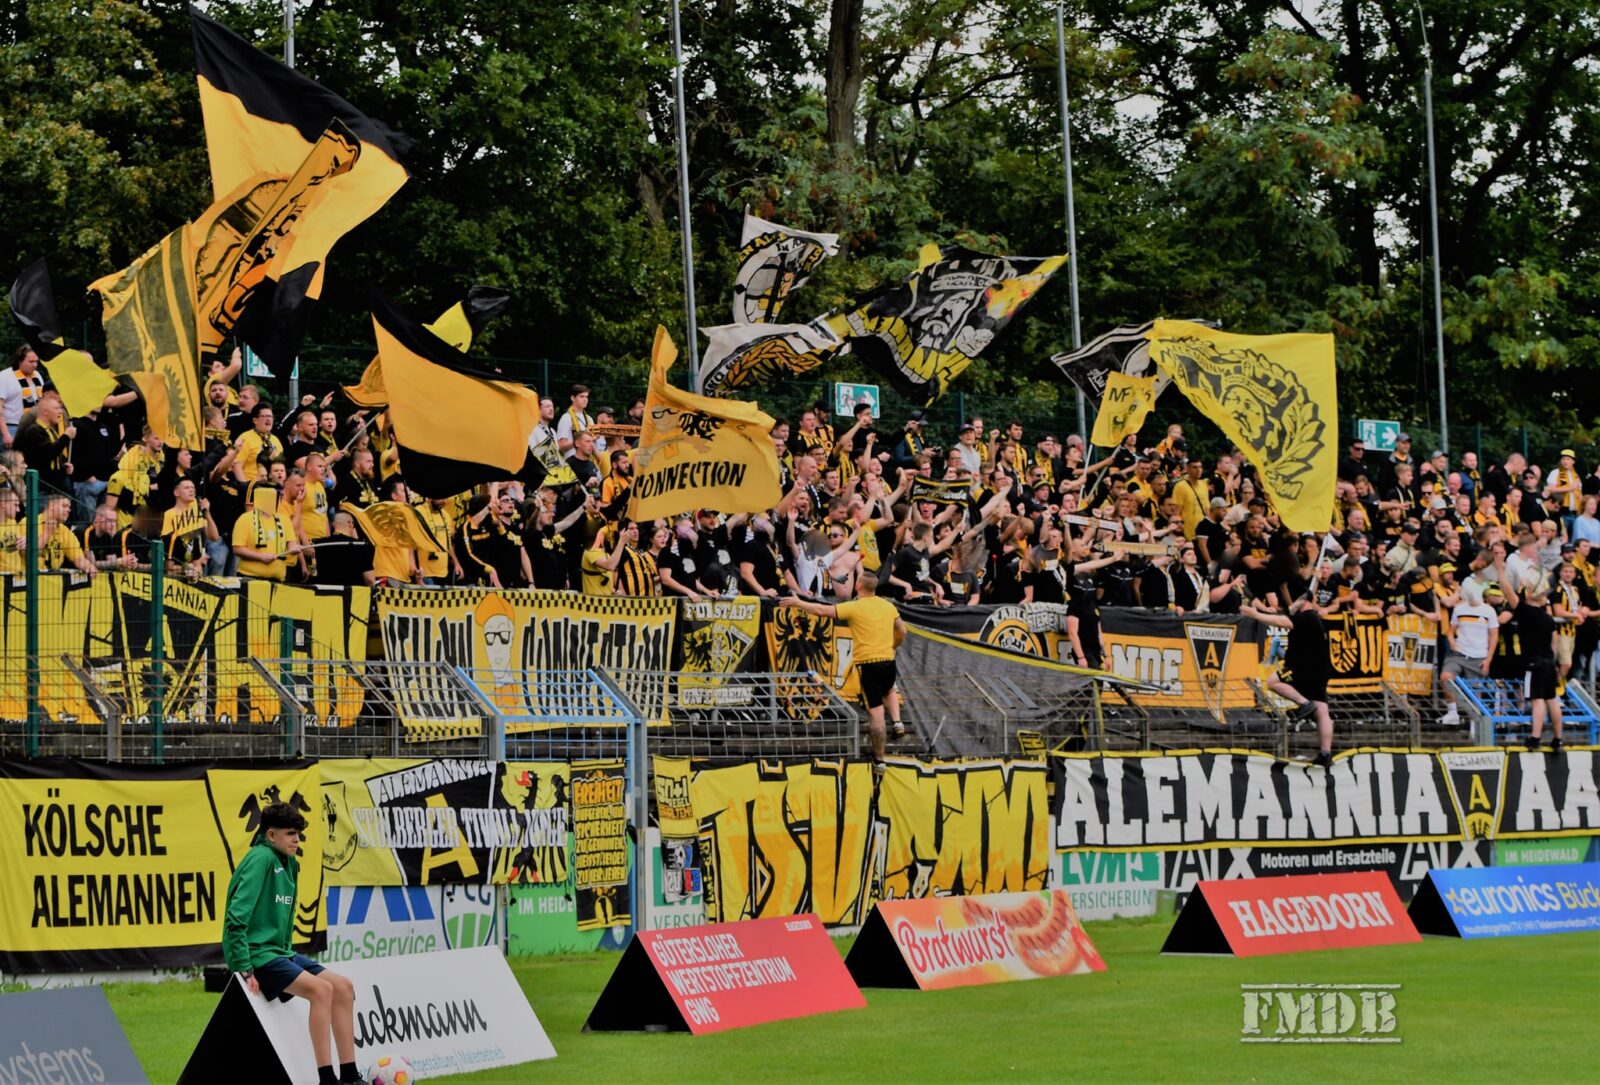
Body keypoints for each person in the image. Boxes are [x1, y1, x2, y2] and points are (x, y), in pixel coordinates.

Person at [223, 802, 362, 1085]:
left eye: (298, 833)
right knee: (322, 991)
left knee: (344, 987)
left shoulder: (290, 863)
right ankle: (327, 1079)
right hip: (259, 955)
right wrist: (244, 968)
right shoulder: (260, 858)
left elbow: (285, 923)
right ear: (271, 835)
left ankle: (350, 1076)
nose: (297, 839)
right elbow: (235, 918)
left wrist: (286, 954)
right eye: (290, 833)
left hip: (281, 953)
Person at [781, 570, 907, 767]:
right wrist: (893, 646)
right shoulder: (888, 606)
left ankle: (879, 759)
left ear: (858, 586)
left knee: (876, 713)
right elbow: (902, 631)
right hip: (888, 661)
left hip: (868, 664)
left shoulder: (855, 607)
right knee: (890, 688)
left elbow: (822, 611)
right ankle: (898, 722)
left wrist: (798, 603)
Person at [1243, 598, 1334, 767]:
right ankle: (1325, 753)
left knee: (1272, 681)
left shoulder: (1306, 617)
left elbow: (1280, 621)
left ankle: (1303, 703)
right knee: (1322, 709)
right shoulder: (1315, 619)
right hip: (1320, 670)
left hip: (1304, 667)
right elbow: (1284, 614)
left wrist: (1256, 614)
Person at [1495, 549, 1562, 751]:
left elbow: (1508, 592)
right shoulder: (1548, 618)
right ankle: (1558, 738)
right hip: (1550, 662)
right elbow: (1554, 644)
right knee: (1552, 699)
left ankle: (1535, 737)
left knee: (1538, 699)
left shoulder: (1526, 611)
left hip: (1535, 662)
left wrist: (1499, 570)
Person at [1439, 591, 1499, 727]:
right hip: (1459, 653)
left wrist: (1488, 660)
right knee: (1445, 677)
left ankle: (1475, 722)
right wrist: (1452, 641)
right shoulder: (1459, 608)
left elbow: (1494, 636)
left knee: (1475, 692)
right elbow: (1451, 630)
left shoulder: (1489, 611)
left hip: (1479, 655)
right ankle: (1452, 712)